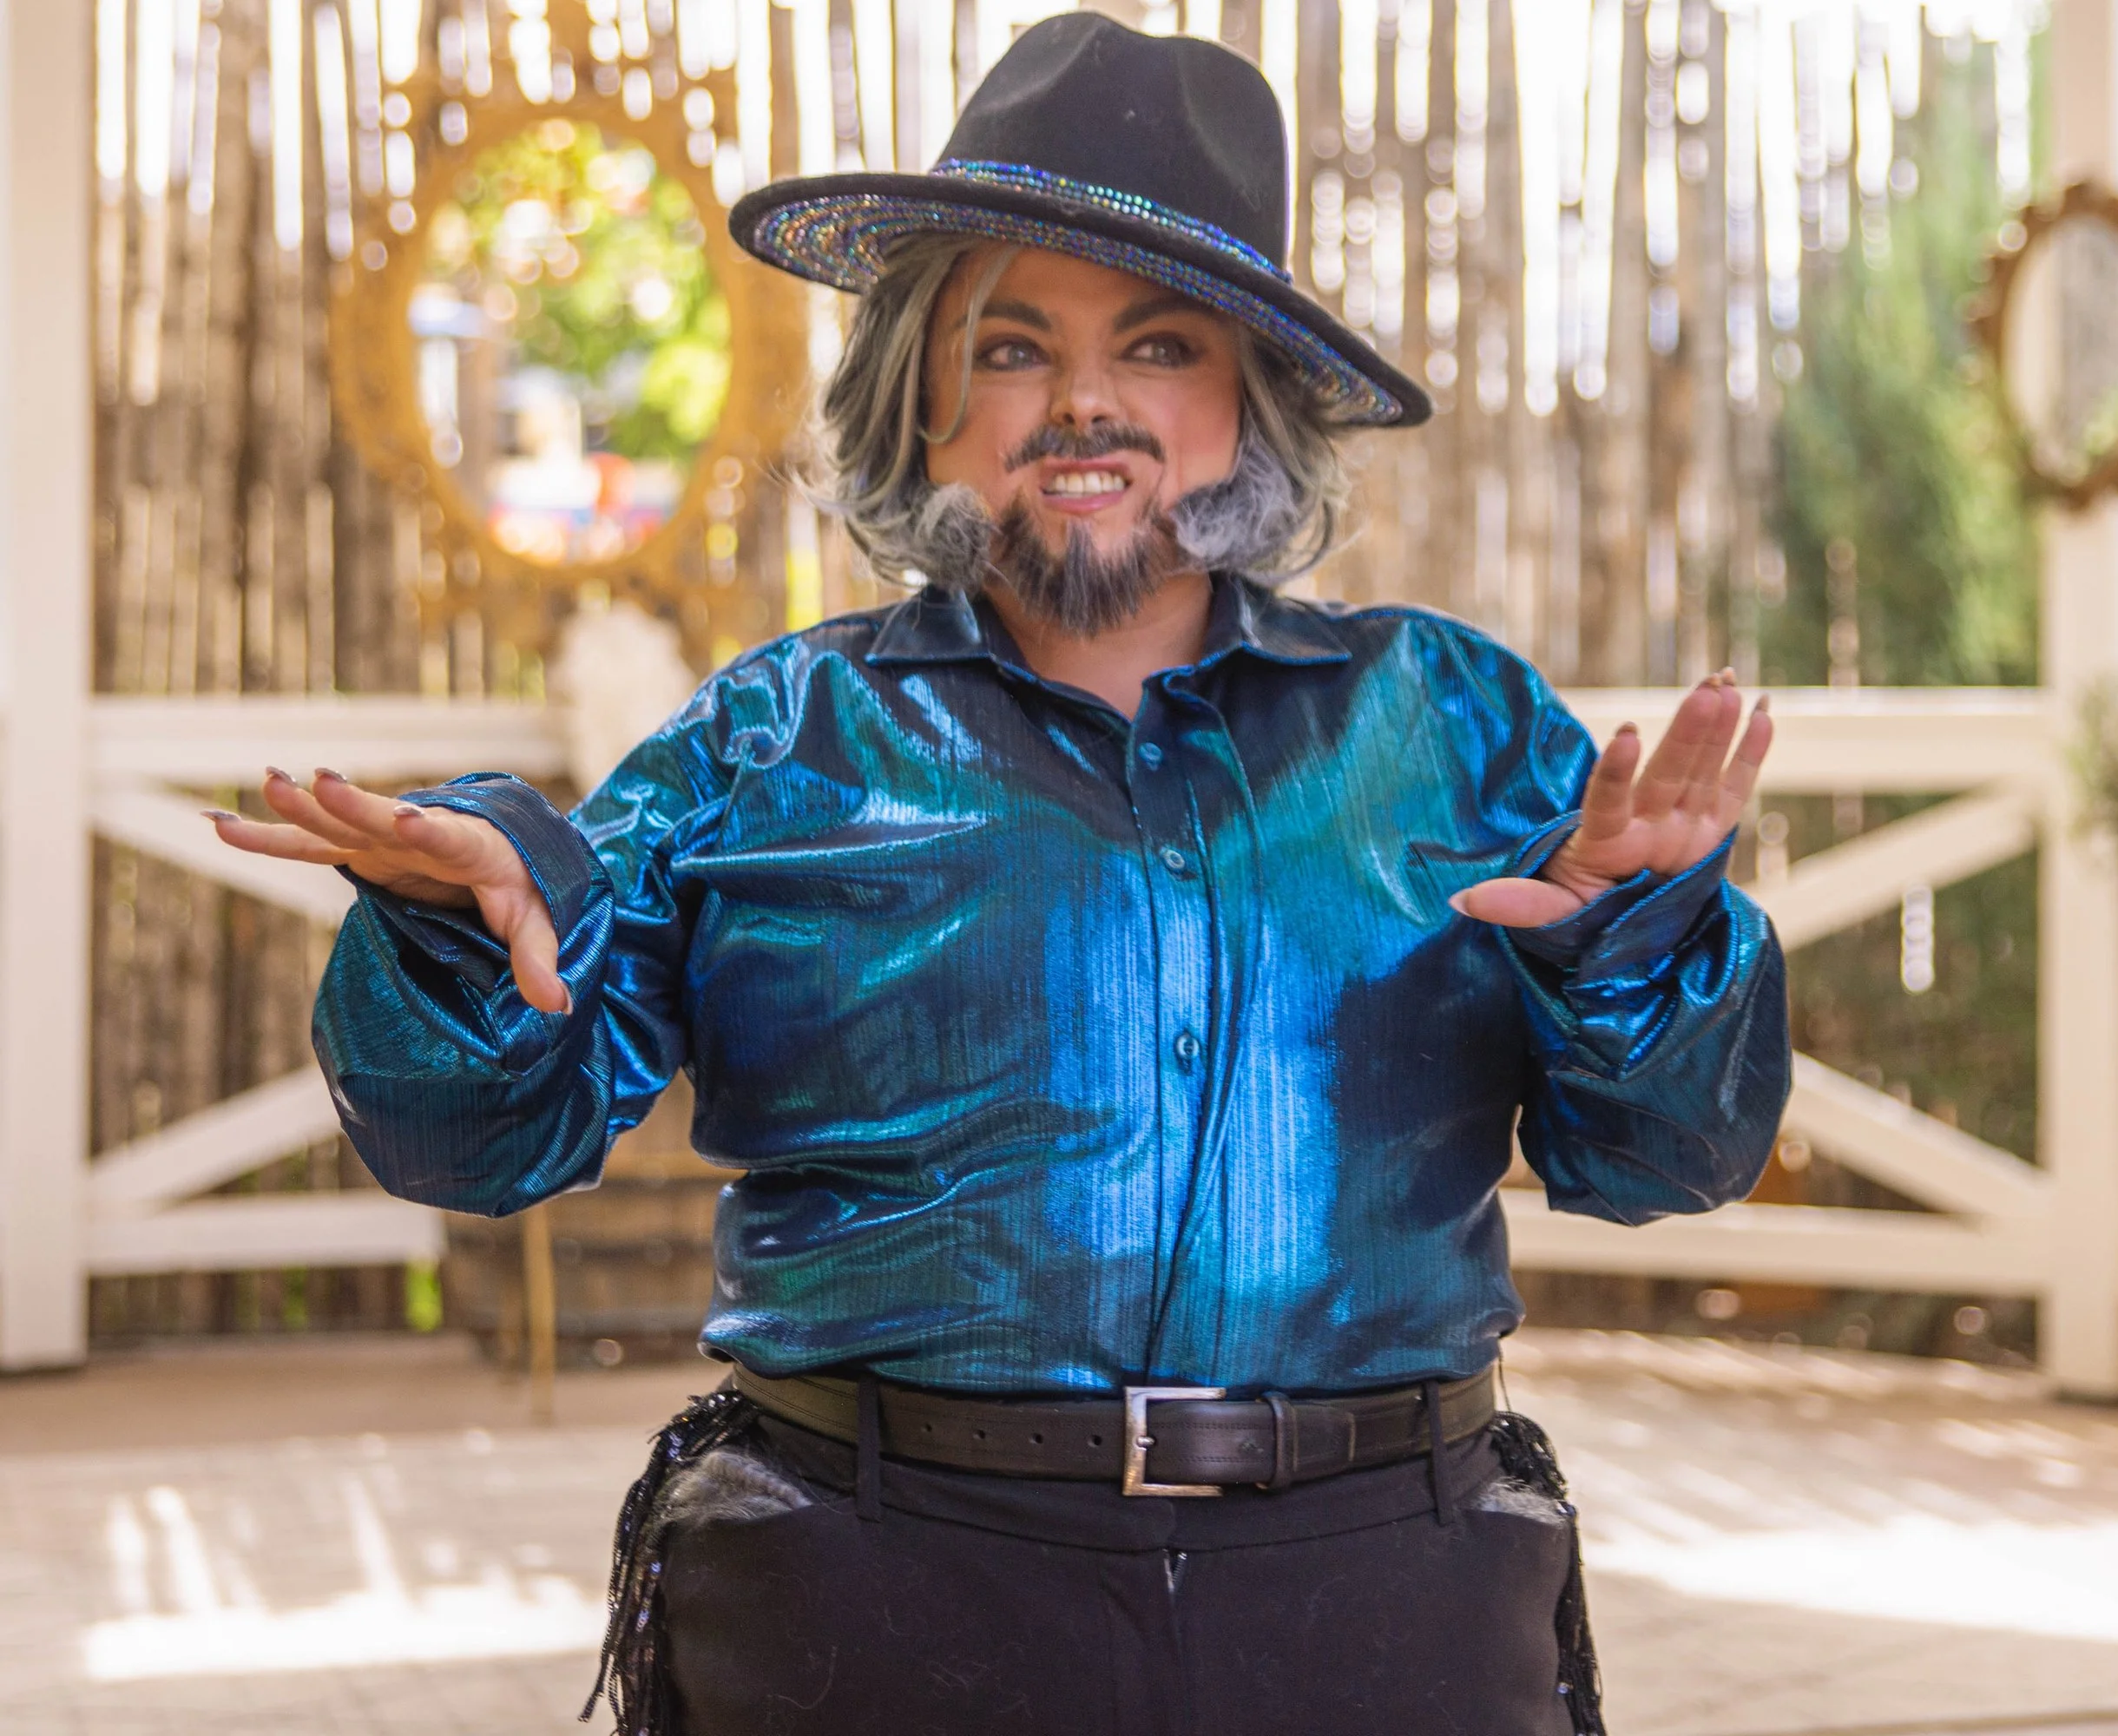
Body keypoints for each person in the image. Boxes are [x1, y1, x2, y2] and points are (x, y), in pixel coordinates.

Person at [210, 16, 1787, 1734]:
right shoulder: (773, 738)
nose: (1084, 399)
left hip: (1382, 1607)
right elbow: (477, 1135)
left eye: (1159, 343)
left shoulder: (1456, 726)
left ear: (1250, 400)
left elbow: (1670, 1158)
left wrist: (1641, 949)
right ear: (926, 398)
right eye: (1014, 344)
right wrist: (458, 940)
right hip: (867, 1600)